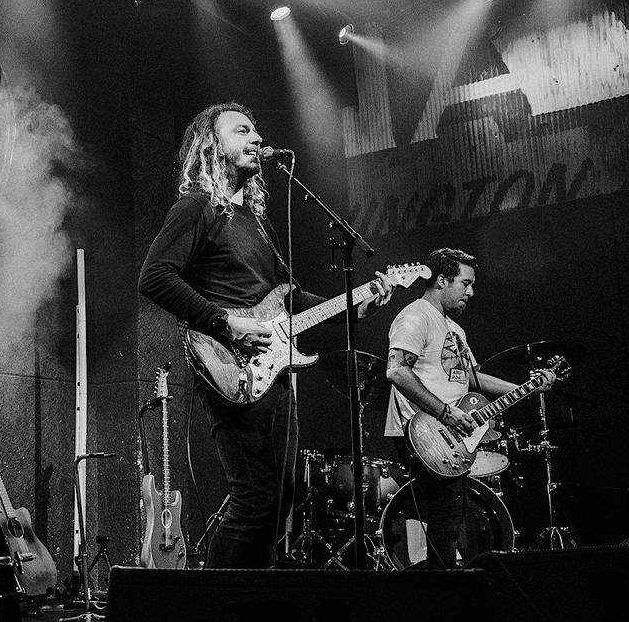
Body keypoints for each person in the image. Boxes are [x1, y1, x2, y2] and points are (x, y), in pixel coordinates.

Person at [138, 102, 395, 568]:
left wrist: (354, 304)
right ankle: (220, 605)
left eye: (256, 131)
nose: (257, 138)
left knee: (282, 496)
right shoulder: (196, 208)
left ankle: (254, 597)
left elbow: (289, 299)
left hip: (274, 371)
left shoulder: (259, 222)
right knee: (255, 497)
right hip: (230, 365)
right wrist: (225, 323)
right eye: (242, 131)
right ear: (212, 145)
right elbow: (154, 277)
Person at [382, 247, 553, 569]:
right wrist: (445, 413)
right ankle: (441, 589)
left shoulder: (455, 329)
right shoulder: (415, 316)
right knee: (445, 517)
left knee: (450, 518)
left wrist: (527, 387)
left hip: (452, 435)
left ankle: (444, 584)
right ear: (442, 280)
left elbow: (474, 378)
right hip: (422, 432)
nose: (471, 292)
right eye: (465, 283)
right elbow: (397, 371)